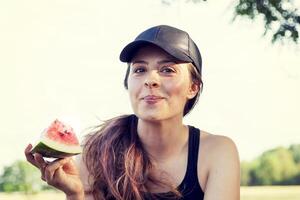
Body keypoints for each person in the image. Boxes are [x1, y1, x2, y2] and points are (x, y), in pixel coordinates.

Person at [25, 25, 240, 200]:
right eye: (139, 69)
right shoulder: (96, 151)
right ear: (128, 83)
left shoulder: (217, 152)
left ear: (193, 87)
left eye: (168, 70)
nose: (150, 80)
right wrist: (75, 194)